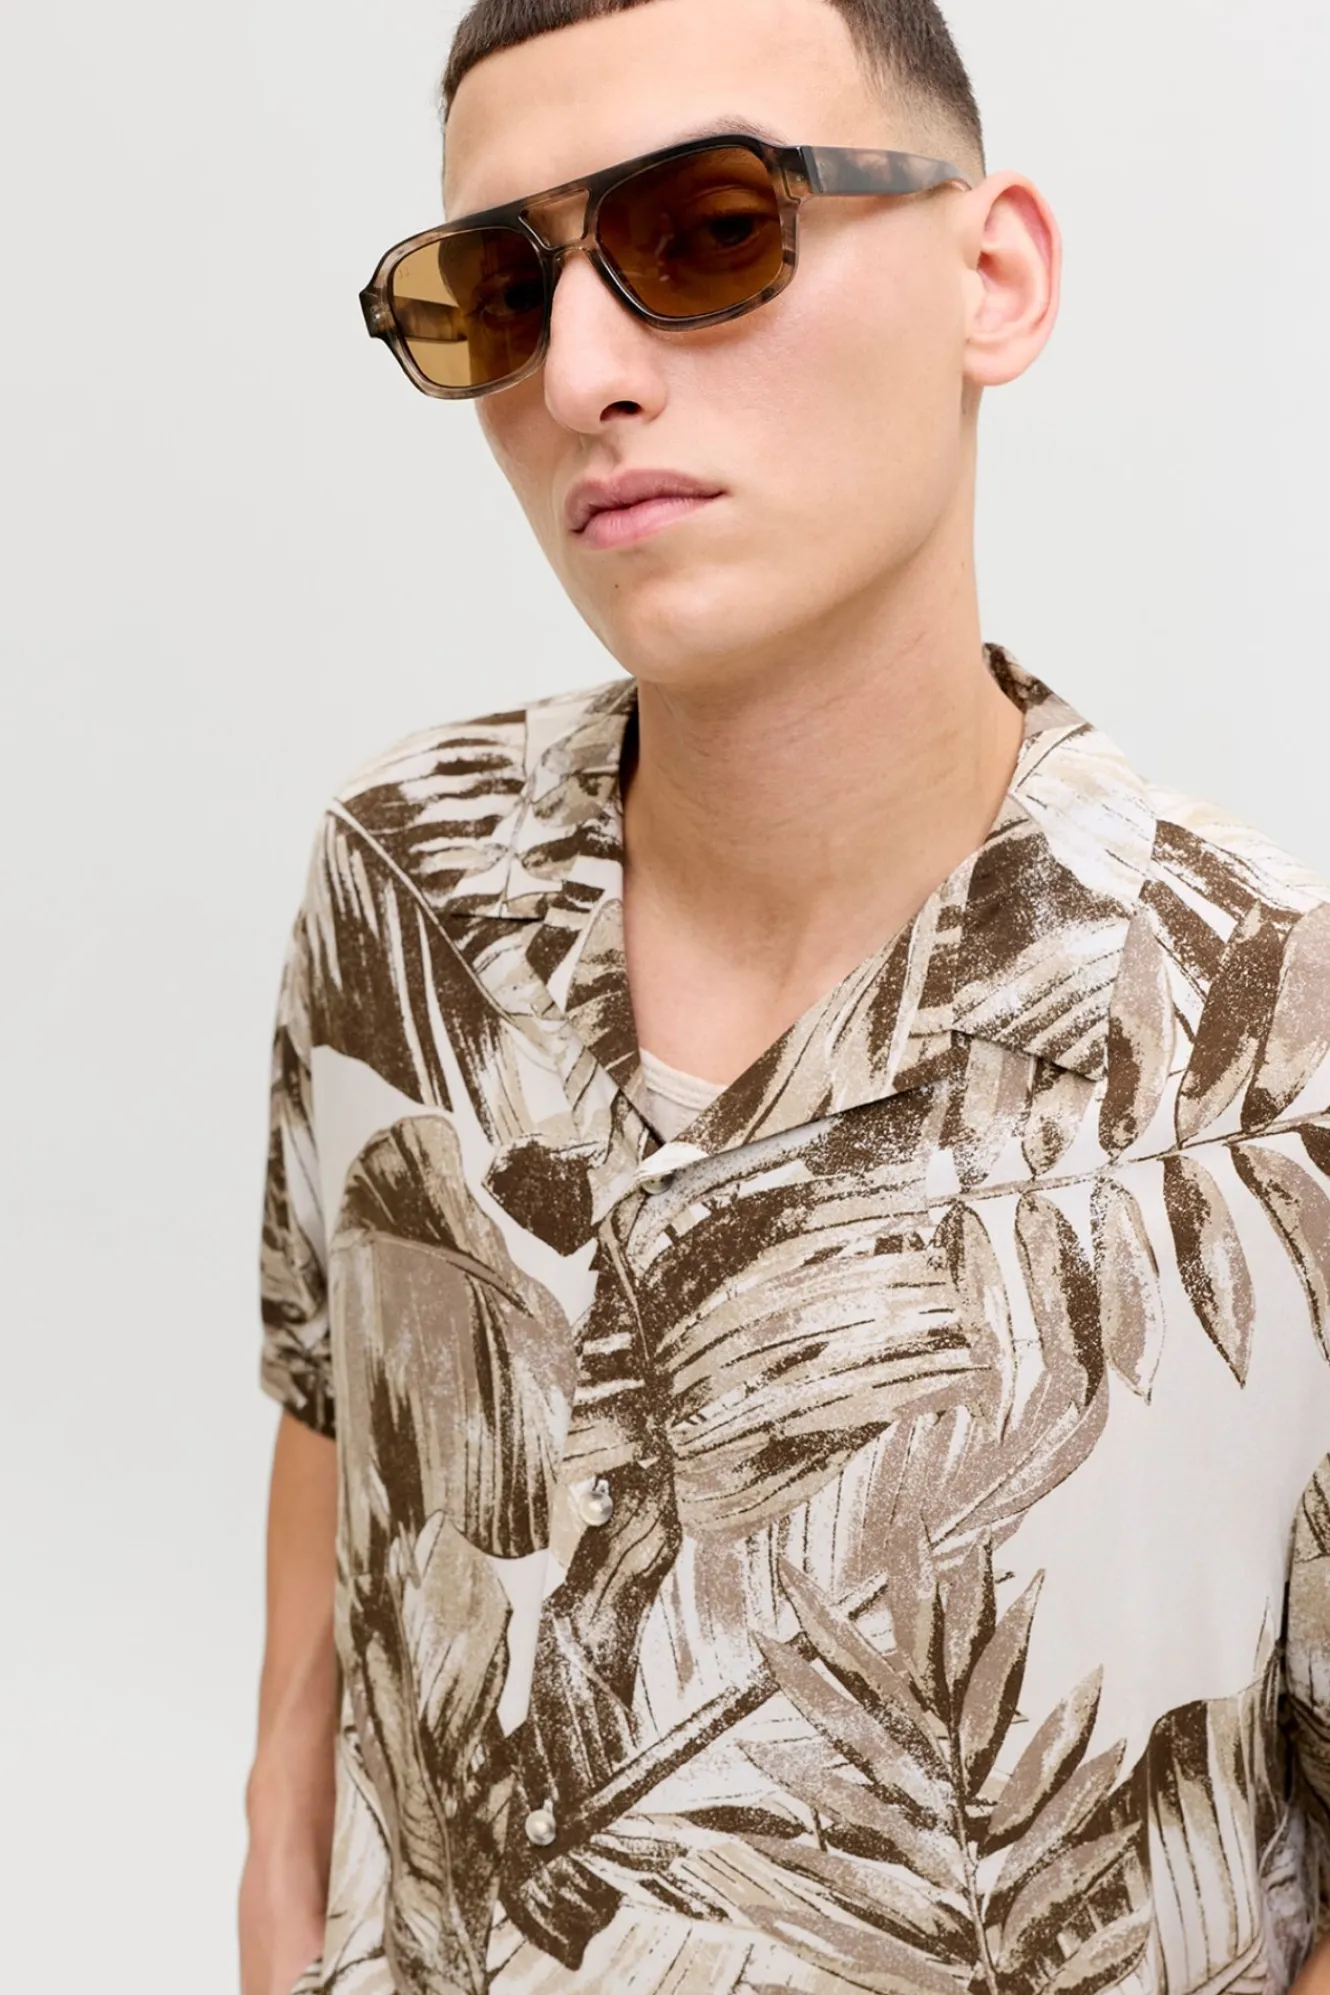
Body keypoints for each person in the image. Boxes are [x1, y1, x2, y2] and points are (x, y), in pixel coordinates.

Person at [237, 1, 1330, 1990]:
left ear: (990, 279)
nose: (581, 372)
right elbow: (338, 1440)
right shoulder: (401, 888)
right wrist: (274, 1875)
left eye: (709, 232)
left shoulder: (1274, 1057)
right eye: (500, 291)